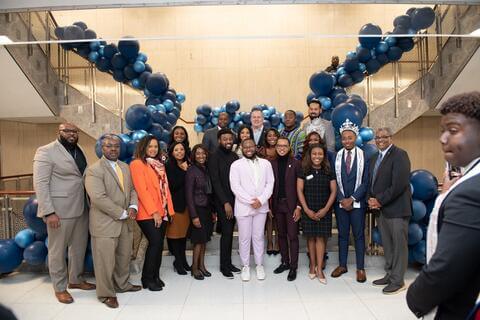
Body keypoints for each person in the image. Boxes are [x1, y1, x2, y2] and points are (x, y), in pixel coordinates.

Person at [406, 92, 480, 319]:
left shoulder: (469, 194)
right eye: (442, 131)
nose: (443, 138)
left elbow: (447, 268)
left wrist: (415, 298)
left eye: (453, 130)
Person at [33, 123, 95, 304]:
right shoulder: (46, 151)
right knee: (57, 251)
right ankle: (60, 288)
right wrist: (49, 212)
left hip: (82, 207)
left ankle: (75, 280)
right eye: (67, 131)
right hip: (59, 211)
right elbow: (41, 183)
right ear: (59, 132)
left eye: (75, 131)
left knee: (78, 248)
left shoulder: (79, 149)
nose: (72, 134)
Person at [85, 134, 141, 309]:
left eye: (116, 146)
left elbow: (132, 189)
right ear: (102, 148)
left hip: (125, 222)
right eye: (109, 146)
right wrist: (122, 213)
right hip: (105, 223)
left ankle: (122, 285)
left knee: (123, 257)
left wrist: (133, 206)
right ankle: (106, 294)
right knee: (105, 262)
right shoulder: (94, 170)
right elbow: (98, 198)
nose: (113, 149)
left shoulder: (124, 167)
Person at [368, 127, 412, 295]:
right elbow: (371, 182)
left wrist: (379, 200)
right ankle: (390, 274)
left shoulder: (400, 155)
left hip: (397, 209)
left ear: (391, 138)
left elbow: (399, 185)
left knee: (399, 246)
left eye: (384, 137)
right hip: (382, 210)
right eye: (377, 137)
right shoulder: (373, 158)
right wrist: (370, 199)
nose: (380, 140)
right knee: (388, 245)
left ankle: (398, 280)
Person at [130, 136, 175, 291]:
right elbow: (142, 191)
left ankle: (155, 276)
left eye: (156, 146)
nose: (153, 149)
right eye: (150, 146)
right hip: (147, 213)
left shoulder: (158, 165)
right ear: (143, 147)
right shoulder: (137, 164)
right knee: (154, 243)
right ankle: (147, 279)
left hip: (162, 212)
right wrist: (154, 212)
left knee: (158, 245)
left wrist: (169, 210)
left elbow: (165, 189)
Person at [229, 139, 274, 281]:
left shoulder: (265, 164)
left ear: (256, 147)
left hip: (261, 206)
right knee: (244, 238)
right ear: (241, 148)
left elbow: (270, 183)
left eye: (251, 146)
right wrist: (250, 201)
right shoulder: (236, 165)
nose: (248, 149)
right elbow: (235, 186)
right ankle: (245, 266)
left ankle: (259, 265)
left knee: (258, 236)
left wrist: (261, 200)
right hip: (243, 207)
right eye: (245, 146)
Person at [331, 119, 369, 283]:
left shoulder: (364, 156)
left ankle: (360, 268)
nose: (347, 140)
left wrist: (352, 198)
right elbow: (333, 180)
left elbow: (366, 181)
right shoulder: (336, 157)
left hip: (357, 203)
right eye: (344, 138)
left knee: (359, 236)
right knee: (343, 235)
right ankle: (342, 265)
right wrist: (341, 199)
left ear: (355, 137)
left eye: (350, 137)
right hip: (340, 203)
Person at [297, 144, 337, 284]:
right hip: (308, 208)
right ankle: (312, 267)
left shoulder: (328, 170)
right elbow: (299, 191)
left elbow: (333, 191)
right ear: (310, 155)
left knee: (320, 239)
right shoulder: (304, 170)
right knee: (310, 239)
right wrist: (306, 210)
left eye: (320, 154)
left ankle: (319, 269)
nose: (317, 156)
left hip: (323, 210)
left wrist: (326, 209)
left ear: (323, 156)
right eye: (314, 154)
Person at [208, 128, 241, 278]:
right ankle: (224, 266)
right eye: (225, 139)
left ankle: (228, 263)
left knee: (229, 232)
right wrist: (226, 203)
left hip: (236, 200)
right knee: (227, 233)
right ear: (219, 140)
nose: (228, 142)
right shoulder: (214, 157)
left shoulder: (234, 156)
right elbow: (215, 182)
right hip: (223, 202)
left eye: (230, 139)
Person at [270, 137, 302, 281]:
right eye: (279, 146)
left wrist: (299, 206)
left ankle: (293, 267)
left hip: (292, 206)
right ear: (276, 147)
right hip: (277, 205)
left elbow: (301, 188)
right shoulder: (271, 164)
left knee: (293, 236)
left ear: (289, 147)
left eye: (284, 145)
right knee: (281, 235)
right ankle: (285, 262)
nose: (282, 148)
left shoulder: (296, 163)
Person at [186, 144, 214, 280]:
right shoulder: (192, 170)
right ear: (194, 156)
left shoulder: (206, 169)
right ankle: (194, 268)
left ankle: (202, 266)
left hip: (207, 209)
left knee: (204, 240)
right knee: (198, 241)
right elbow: (189, 195)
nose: (201, 156)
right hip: (197, 209)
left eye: (203, 153)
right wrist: (194, 216)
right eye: (198, 154)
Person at [165, 141, 191, 275]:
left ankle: (184, 261)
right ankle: (178, 262)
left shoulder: (187, 163)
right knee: (175, 236)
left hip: (186, 206)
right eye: (176, 150)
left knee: (183, 236)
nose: (179, 152)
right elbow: (173, 185)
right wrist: (184, 171)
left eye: (181, 149)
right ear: (172, 152)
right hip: (175, 207)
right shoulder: (169, 165)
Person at [258, 128, 280, 256]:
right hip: (265, 185)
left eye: (274, 135)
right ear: (266, 138)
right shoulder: (262, 151)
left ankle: (277, 242)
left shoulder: (281, 149)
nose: (272, 138)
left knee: (277, 216)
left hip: (278, 185)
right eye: (269, 136)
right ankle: (269, 242)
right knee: (268, 216)